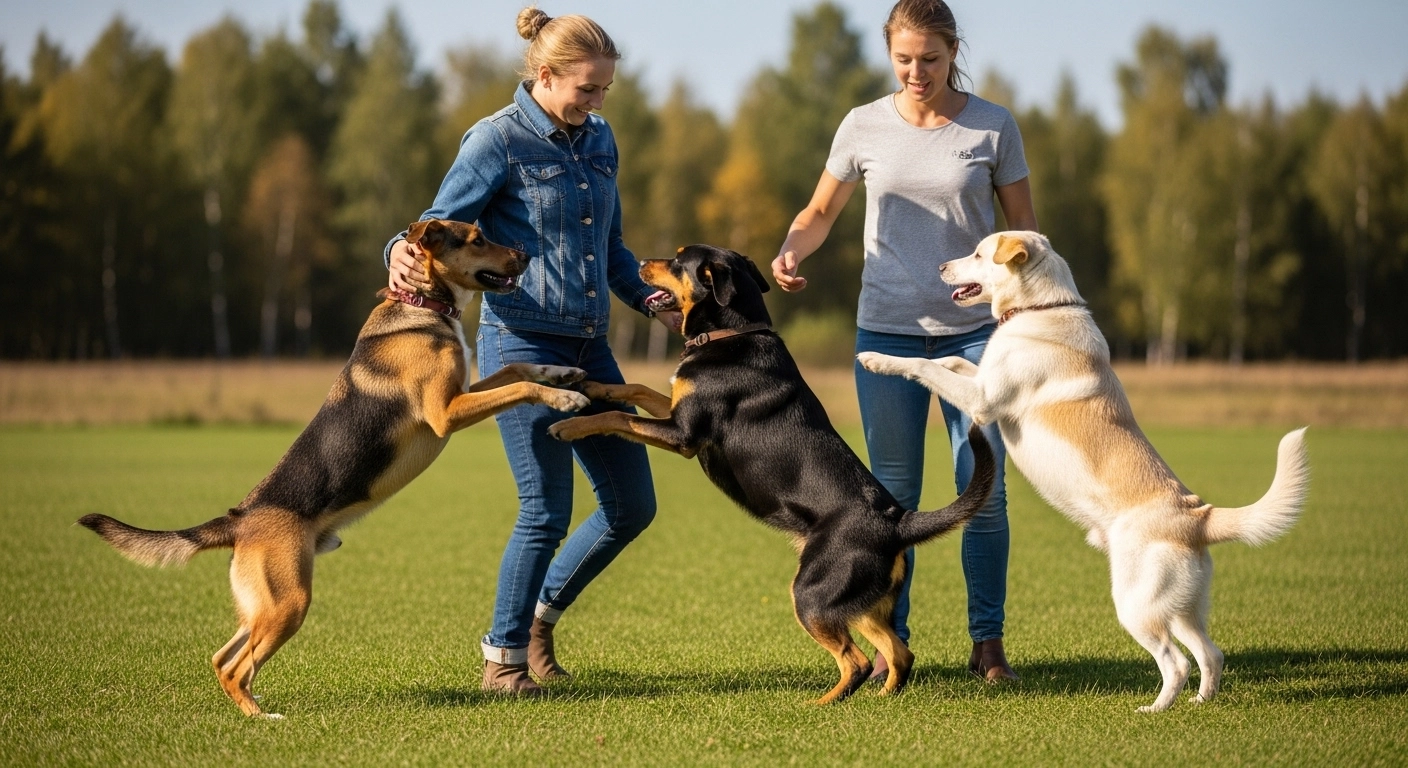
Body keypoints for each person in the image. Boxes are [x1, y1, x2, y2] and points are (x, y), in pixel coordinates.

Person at [385, 7, 681, 697]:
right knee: (545, 508)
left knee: (632, 505)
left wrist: (658, 304)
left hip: (589, 345)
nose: (597, 102)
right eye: (586, 88)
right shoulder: (496, 141)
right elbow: (432, 228)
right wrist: (394, 251)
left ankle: (540, 621)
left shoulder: (601, 140)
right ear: (544, 76)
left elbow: (612, 253)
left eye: (605, 89)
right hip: (518, 340)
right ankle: (502, 663)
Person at [771, 0, 1037, 683]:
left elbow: (1026, 236)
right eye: (905, 60)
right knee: (888, 502)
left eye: (932, 60)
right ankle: (897, 642)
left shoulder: (992, 125)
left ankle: (988, 643)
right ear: (891, 56)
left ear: (954, 54)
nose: (918, 73)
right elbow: (821, 210)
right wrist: (791, 252)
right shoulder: (862, 125)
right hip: (883, 336)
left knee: (984, 489)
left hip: (980, 336)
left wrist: (1022, 305)